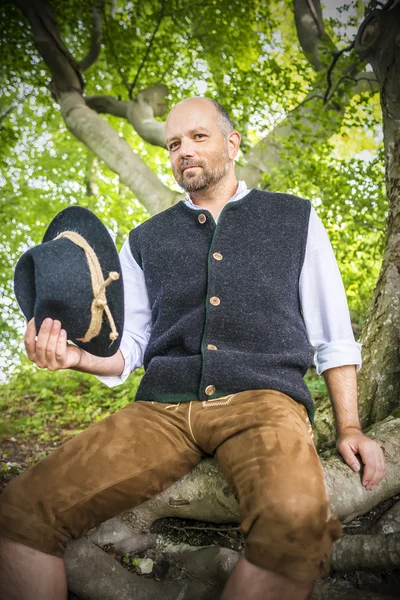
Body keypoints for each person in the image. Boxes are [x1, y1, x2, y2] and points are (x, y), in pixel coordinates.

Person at [0, 97, 386, 600]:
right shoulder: (144, 240)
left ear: (232, 143)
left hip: (265, 403)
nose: (183, 150)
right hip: (160, 410)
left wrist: (351, 426)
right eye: (174, 143)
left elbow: (333, 337)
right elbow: (131, 344)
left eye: (197, 137)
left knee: (294, 529)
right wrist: (77, 357)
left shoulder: (295, 218)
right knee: (22, 511)